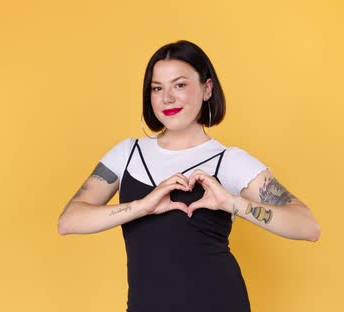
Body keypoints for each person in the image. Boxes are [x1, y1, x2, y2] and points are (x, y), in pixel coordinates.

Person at [58, 40, 321, 312]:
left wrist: (231, 203)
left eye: (180, 85)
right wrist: (141, 207)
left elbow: (307, 226)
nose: (167, 98)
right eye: (157, 88)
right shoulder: (127, 153)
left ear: (207, 89)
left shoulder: (228, 160)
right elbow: (69, 221)